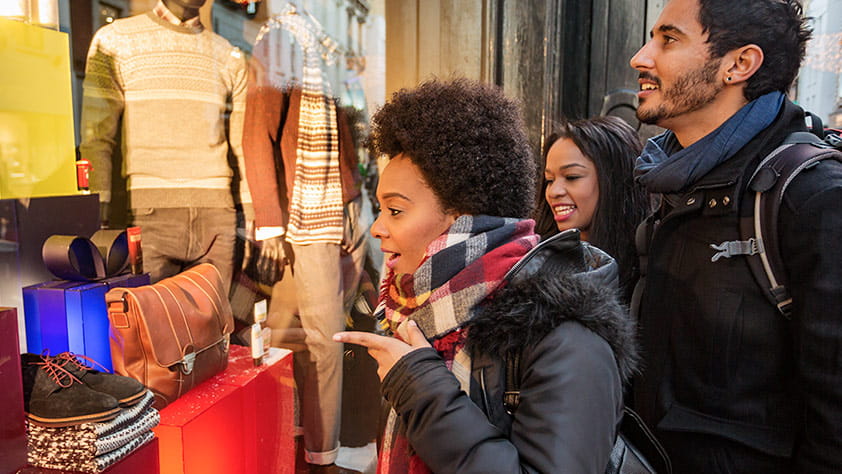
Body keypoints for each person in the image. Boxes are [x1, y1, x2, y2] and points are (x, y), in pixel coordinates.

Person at [333, 78, 639, 473]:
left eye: (395, 210)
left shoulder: (563, 335)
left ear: (462, 218)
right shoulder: (424, 317)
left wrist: (421, 391)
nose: (377, 228)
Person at [629, 0, 842, 472]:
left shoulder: (810, 196)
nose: (640, 58)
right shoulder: (662, 180)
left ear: (739, 64)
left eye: (669, 39)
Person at [240, 6, 368, 472]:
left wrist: (355, 201)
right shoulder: (282, 38)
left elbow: (348, 136)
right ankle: (322, 458)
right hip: (308, 215)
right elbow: (258, 135)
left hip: (336, 206)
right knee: (325, 339)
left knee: (283, 332)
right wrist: (270, 222)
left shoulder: (321, 43)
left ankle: (283, 444)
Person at [78, 0, 248, 290]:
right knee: (150, 326)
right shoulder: (116, 40)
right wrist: (97, 211)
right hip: (148, 210)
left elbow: (242, 145)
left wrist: (255, 215)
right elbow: (96, 136)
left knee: (214, 326)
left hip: (217, 212)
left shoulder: (228, 55)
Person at [538, 116, 649, 302]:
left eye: (572, 177)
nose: (554, 192)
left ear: (614, 181)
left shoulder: (651, 266)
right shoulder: (532, 263)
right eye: (550, 180)